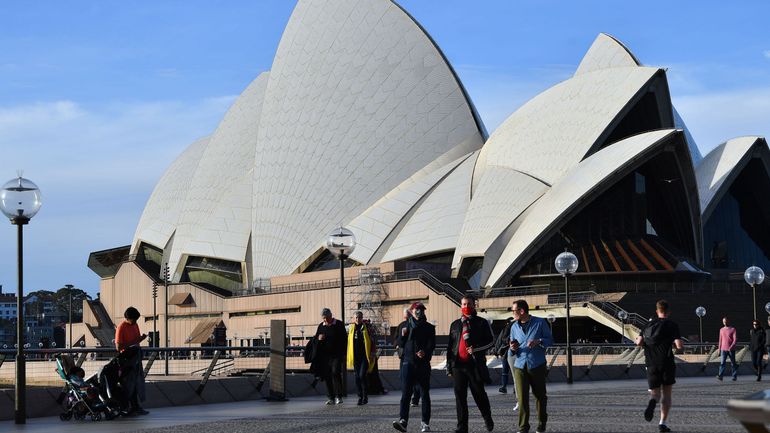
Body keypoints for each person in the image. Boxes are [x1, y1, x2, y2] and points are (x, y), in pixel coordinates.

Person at [447, 295, 494, 433]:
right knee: (460, 397)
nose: (465, 306)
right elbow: (450, 347)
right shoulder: (455, 324)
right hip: (458, 366)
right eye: (463, 304)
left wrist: (476, 348)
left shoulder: (481, 322)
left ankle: (487, 417)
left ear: (474, 305)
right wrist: (449, 367)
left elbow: (491, 341)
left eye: (468, 304)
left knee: (479, 394)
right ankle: (462, 427)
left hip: (474, 365)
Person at [636, 300, 683, 433]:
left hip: (651, 364)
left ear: (657, 311)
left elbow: (639, 342)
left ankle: (652, 404)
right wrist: (672, 344)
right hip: (667, 363)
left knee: (655, 394)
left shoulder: (647, 324)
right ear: (668, 312)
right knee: (667, 394)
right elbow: (679, 346)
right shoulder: (672, 325)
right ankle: (662, 423)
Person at [509, 299, 552, 433]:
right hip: (519, 365)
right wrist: (512, 347)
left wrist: (538, 341)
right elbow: (512, 349)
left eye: (514, 310)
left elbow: (550, 340)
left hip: (537, 365)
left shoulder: (540, 322)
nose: (512, 313)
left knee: (540, 396)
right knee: (522, 399)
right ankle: (523, 427)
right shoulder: (513, 327)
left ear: (522, 311)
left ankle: (541, 424)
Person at [392, 302, 435, 433]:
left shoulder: (429, 327)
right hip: (407, 363)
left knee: (424, 394)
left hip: (422, 365)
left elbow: (431, 344)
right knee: (405, 393)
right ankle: (403, 421)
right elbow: (398, 343)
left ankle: (425, 423)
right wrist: (403, 336)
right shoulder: (404, 326)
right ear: (412, 311)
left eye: (421, 309)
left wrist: (425, 352)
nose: (419, 312)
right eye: (417, 309)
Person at [115, 306, 149, 415]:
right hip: (126, 360)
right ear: (128, 318)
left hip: (135, 358)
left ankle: (135, 406)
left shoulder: (135, 325)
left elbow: (136, 340)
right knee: (128, 384)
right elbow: (118, 347)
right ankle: (129, 407)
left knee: (136, 383)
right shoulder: (121, 327)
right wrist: (134, 342)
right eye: (134, 320)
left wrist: (140, 339)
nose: (135, 322)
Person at [315, 307, 347, 405]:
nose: (325, 320)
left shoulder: (339, 324)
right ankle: (331, 397)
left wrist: (344, 353)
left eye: (326, 317)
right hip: (325, 355)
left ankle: (339, 396)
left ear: (331, 316)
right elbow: (316, 338)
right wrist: (318, 338)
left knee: (335, 373)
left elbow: (345, 339)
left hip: (337, 354)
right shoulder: (321, 326)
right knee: (327, 375)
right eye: (323, 318)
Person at [347, 311, 376, 405]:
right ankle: (360, 396)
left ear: (362, 318)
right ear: (353, 318)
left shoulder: (367, 327)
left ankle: (365, 396)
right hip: (355, 356)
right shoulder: (351, 328)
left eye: (359, 317)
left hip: (365, 355)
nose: (357, 319)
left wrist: (372, 352)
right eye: (356, 317)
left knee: (362, 375)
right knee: (357, 377)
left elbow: (372, 340)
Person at [395, 308, 421, 407]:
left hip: (414, 356)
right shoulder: (401, 325)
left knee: (416, 379)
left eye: (408, 316)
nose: (407, 318)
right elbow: (398, 339)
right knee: (404, 377)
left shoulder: (417, 325)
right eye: (405, 316)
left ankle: (415, 398)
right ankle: (408, 397)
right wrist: (397, 344)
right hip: (404, 356)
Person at [717, 316, 738, 381]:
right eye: (723, 322)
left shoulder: (733, 329)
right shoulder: (721, 330)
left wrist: (731, 347)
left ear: (728, 321)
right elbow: (720, 340)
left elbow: (735, 340)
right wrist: (719, 349)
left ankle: (734, 376)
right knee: (722, 363)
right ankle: (720, 376)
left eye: (725, 321)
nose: (725, 323)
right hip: (723, 349)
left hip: (731, 350)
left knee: (733, 363)